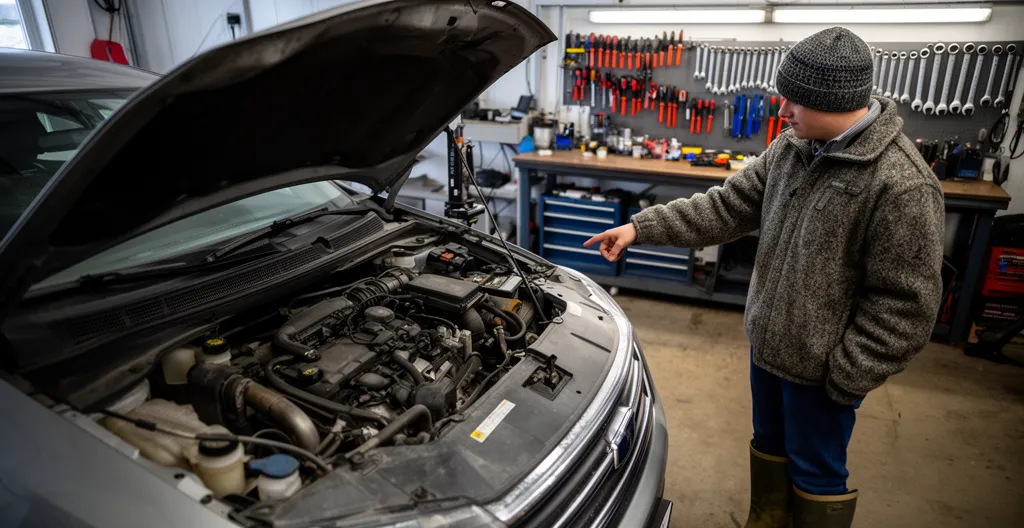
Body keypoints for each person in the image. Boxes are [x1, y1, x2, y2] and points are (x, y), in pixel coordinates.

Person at [584, 27, 944, 528]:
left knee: (817, 474)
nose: (782, 111)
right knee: (769, 448)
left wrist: (848, 373)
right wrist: (640, 227)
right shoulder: (792, 147)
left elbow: (907, 304)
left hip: (823, 373)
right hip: (769, 346)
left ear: (830, 99)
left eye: (793, 100)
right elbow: (726, 206)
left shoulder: (900, 183)